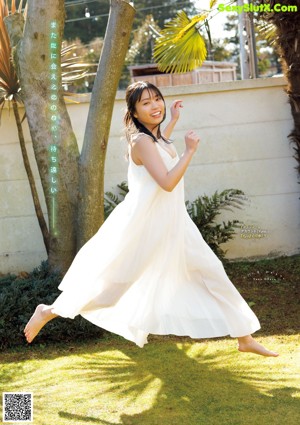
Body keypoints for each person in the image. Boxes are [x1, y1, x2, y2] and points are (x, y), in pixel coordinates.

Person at [24, 81, 278, 357]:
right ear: (133, 112)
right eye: (145, 103)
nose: (155, 105)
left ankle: (244, 337)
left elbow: (162, 151)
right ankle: (48, 311)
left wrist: (174, 120)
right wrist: (190, 151)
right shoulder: (141, 141)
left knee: (213, 272)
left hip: (174, 224)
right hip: (145, 227)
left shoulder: (154, 138)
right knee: (111, 294)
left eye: (157, 99)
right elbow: (167, 181)